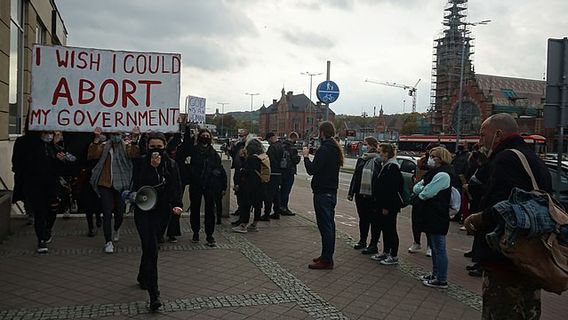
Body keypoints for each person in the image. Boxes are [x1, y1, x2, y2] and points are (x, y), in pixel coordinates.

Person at [464, 113, 552, 319]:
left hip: (507, 255)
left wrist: (478, 218)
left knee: (503, 309)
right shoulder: (532, 159)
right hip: (531, 254)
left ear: (498, 134)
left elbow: (505, 206)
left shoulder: (506, 159)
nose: (480, 141)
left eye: (482, 135)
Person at [132, 132, 183, 312]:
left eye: (159, 148)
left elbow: (176, 185)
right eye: (152, 147)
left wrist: (177, 205)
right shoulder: (140, 163)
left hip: (162, 212)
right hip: (144, 212)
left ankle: (142, 275)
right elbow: (137, 186)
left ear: (164, 147)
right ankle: (154, 295)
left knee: (150, 248)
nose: (156, 151)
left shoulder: (171, 164)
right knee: (152, 249)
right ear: (147, 147)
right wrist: (151, 170)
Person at [88, 127, 140, 253]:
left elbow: (134, 153)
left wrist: (134, 139)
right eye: (113, 133)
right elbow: (92, 154)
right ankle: (108, 241)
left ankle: (117, 228)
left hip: (121, 184)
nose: (116, 136)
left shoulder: (126, 146)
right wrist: (96, 139)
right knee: (106, 212)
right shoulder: (104, 145)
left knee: (120, 212)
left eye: (118, 134)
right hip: (105, 183)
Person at [303, 121, 343, 270]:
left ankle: (327, 259)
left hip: (322, 192)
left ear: (322, 133)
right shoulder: (334, 148)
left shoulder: (325, 149)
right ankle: (326, 255)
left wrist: (306, 157)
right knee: (329, 225)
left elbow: (312, 170)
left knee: (325, 226)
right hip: (331, 191)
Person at [413, 147, 454, 289]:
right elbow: (417, 187)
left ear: (441, 158)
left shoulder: (443, 175)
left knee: (439, 248)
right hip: (431, 214)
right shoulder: (433, 173)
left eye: (433, 156)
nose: (430, 158)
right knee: (435, 247)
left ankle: (441, 278)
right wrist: (422, 188)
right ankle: (435, 274)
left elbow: (426, 193)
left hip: (438, 215)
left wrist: (423, 189)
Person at [19, 131, 67, 253]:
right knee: (40, 212)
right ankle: (41, 240)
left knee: (53, 209)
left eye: (50, 132)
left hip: (52, 184)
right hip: (36, 185)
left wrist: (60, 160)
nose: (49, 135)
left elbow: (61, 168)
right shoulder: (32, 146)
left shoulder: (55, 148)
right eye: (46, 132)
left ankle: (47, 229)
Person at [179, 127, 225, 247]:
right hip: (196, 184)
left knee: (210, 210)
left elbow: (219, 167)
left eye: (207, 136)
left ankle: (209, 235)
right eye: (203, 135)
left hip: (210, 185)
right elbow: (185, 150)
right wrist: (187, 129)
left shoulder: (213, 153)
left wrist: (215, 175)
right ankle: (195, 232)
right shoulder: (194, 150)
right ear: (199, 137)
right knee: (195, 209)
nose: (205, 137)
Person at [347, 137, 382, 255]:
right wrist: (351, 192)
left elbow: (378, 178)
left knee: (374, 220)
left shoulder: (378, 160)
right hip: (360, 193)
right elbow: (356, 176)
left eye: (366, 144)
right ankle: (362, 240)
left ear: (372, 145)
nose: (364, 147)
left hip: (372, 195)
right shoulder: (362, 159)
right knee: (363, 219)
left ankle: (373, 244)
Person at [372, 143, 404, 265]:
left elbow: (391, 189)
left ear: (386, 153)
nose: (379, 154)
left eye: (380, 151)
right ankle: (385, 251)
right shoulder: (386, 165)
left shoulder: (392, 167)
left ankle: (394, 255)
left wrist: (386, 207)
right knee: (385, 228)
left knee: (391, 229)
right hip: (383, 204)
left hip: (389, 206)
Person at [408, 143, 439, 256]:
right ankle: (416, 242)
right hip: (419, 196)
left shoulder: (439, 168)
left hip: (430, 198)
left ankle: (430, 246)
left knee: (428, 223)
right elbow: (418, 175)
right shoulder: (422, 161)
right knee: (416, 222)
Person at [232, 138, 266, 233]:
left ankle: (243, 225)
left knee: (246, 205)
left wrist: (242, 167)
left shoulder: (251, 159)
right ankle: (254, 225)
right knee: (258, 205)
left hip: (249, 186)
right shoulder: (261, 158)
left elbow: (247, 171)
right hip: (260, 186)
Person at [228, 129, 249, 220]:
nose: (241, 137)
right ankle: (239, 208)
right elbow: (234, 155)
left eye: (243, 136)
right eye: (240, 135)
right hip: (237, 170)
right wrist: (230, 149)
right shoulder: (239, 145)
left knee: (243, 191)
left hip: (243, 171)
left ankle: (243, 211)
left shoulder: (248, 146)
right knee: (237, 189)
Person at [263, 132, 285, 220]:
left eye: (268, 140)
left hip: (272, 174)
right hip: (280, 174)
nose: (268, 142)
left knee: (269, 195)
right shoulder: (281, 146)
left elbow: (269, 161)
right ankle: (276, 212)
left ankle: (266, 214)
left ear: (271, 138)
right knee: (276, 195)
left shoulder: (272, 148)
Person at [280, 132, 301, 216]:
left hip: (281, 170)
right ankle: (284, 207)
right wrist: (299, 157)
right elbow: (295, 160)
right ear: (294, 138)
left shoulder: (282, 145)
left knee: (281, 190)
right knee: (286, 190)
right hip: (289, 171)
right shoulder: (292, 147)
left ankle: (278, 207)